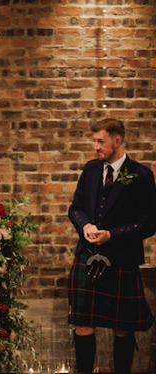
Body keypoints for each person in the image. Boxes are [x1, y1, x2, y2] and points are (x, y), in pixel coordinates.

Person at [68, 118, 156, 374]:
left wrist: (112, 235)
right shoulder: (91, 169)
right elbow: (76, 208)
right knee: (82, 325)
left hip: (122, 260)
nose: (95, 147)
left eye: (100, 141)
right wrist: (85, 226)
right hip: (87, 256)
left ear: (116, 142)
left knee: (122, 327)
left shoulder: (141, 175)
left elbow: (149, 224)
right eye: (94, 141)